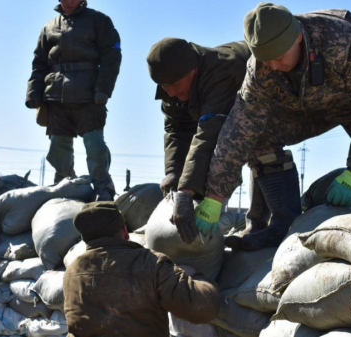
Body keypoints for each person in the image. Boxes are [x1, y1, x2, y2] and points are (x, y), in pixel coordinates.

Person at [193, 3, 351, 251]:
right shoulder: (261, 68)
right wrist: (215, 196)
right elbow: (239, 129)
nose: (273, 65)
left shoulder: (343, 40)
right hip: (307, 100)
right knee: (258, 135)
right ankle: (282, 224)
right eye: (266, 60)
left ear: (296, 38)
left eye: (279, 57)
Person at [146, 37, 257, 243]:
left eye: (173, 85)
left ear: (193, 70)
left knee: (262, 152)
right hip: (223, 118)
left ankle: (262, 224)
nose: (169, 92)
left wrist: (186, 192)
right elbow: (175, 130)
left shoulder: (222, 72)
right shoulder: (172, 84)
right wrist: (173, 172)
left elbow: (209, 134)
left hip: (270, 95)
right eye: (163, 85)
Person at [63, 201, 219, 337]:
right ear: (124, 231)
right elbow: (203, 309)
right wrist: (198, 278)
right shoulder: (149, 263)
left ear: (86, 239)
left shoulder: (72, 272)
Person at [25, 0, 121, 201]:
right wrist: (33, 93)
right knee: (58, 146)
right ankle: (63, 185)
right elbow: (39, 63)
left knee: (95, 146)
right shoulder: (49, 27)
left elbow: (112, 58)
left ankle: (102, 187)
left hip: (89, 96)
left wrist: (103, 89)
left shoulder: (99, 21)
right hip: (56, 95)